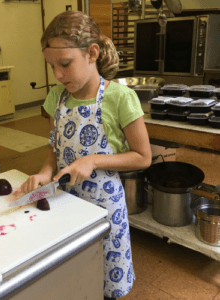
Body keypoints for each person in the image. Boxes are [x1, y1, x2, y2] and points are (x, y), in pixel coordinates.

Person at [20, 11, 152, 299]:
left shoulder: (120, 97)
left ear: (92, 53)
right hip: (66, 202)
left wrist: (93, 159)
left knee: (105, 279)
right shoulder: (57, 97)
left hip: (105, 208)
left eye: (65, 64)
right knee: (76, 275)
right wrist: (45, 171)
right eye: (52, 66)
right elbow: (54, 144)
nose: (57, 74)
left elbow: (143, 157)